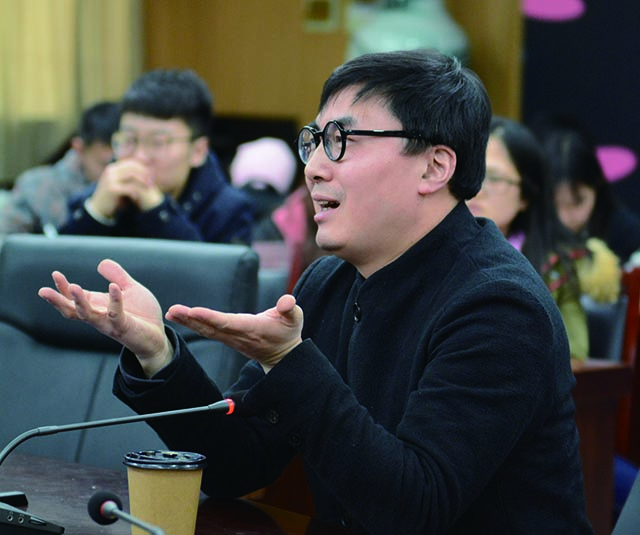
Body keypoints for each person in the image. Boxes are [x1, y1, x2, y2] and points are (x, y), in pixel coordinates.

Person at [39, 49, 592, 534]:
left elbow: (414, 510)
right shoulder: (329, 282)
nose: (314, 169)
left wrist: (290, 361)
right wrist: (158, 352)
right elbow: (238, 463)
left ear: (434, 166)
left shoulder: (499, 306)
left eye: (340, 142)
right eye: (315, 142)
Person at [467, 116, 620, 360]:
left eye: (493, 179)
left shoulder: (556, 267)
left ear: (525, 196)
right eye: (471, 172)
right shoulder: (426, 248)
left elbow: (573, 357)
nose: (477, 189)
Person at [59, 69, 255, 244]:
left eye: (158, 142)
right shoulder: (94, 197)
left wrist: (158, 212)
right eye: (129, 139)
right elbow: (60, 267)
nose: (139, 157)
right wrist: (96, 215)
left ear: (198, 151)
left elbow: (212, 272)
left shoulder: (229, 211)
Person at [0, 101, 118, 237]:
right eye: (106, 165)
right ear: (79, 148)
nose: (113, 175)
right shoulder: (37, 187)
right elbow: (5, 240)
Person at [534, 115, 640, 265]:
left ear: (597, 186)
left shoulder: (627, 235)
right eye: (554, 203)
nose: (565, 217)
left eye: (577, 201)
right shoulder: (525, 229)